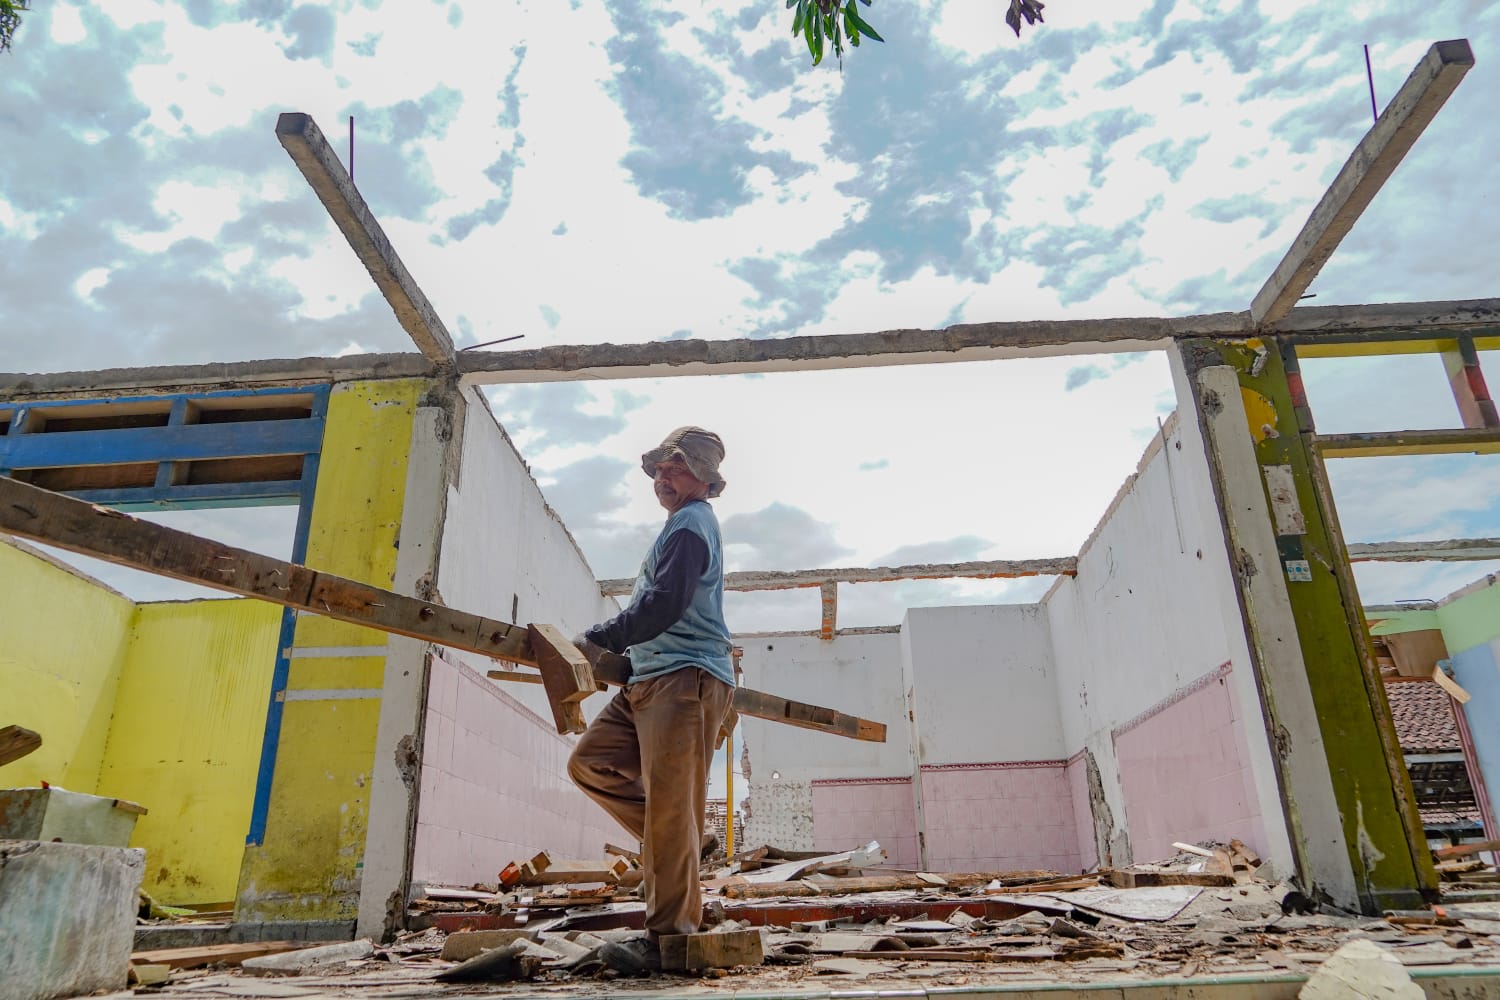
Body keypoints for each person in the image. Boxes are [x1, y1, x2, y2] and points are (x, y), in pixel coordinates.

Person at [567, 426, 735, 967]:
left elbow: (663, 604)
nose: (663, 476)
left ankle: (671, 940)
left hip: (684, 678)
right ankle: (686, 840)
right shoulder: (679, 525)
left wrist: (599, 638)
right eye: (660, 467)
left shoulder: (692, 522)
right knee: (591, 763)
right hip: (650, 676)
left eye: (676, 467)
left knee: (669, 811)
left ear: (703, 478)